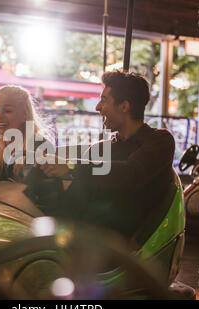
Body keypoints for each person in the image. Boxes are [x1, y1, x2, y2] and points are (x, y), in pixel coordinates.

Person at [39, 70, 176, 237]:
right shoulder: (101, 149)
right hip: (86, 235)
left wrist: (69, 166)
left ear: (124, 106)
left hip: (126, 246)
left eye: (104, 100)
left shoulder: (160, 141)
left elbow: (130, 174)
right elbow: (76, 197)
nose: (98, 107)